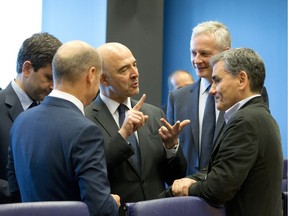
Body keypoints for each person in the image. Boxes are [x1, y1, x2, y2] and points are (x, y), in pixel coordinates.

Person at [7, 40, 120, 216]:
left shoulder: (21, 121)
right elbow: (101, 209)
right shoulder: (85, 131)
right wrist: (112, 203)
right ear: (91, 75)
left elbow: (14, 190)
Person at [170, 48, 283, 216]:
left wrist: (188, 188)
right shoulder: (259, 115)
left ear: (242, 80)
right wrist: (194, 179)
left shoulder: (245, 122)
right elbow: (223, 170)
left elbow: (218, 189)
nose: (213, 90)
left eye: (217, 81)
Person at [85, 42, 189, 216]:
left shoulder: (154, 114)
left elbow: (174, 177)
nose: (135, 73)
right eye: (124, 69)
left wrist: (172, 148)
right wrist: (123, 134)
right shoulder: (85, 117)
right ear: (103, 78)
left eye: (134, 64)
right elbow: (92, 172)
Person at [166, 21, 270, 175]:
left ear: (225, 53)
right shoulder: (177, 98)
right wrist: (171, 147)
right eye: (193, 53)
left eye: (204, 54)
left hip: (231, 191)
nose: (196, 60)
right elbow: (171, 160)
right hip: (186, 194)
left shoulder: (249, 93)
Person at [0, 32, 62, 203]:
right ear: (27, 68)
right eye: (49, 77)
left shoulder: (53, 110)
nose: (53, 86)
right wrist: (28, 190)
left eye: (56, 79)